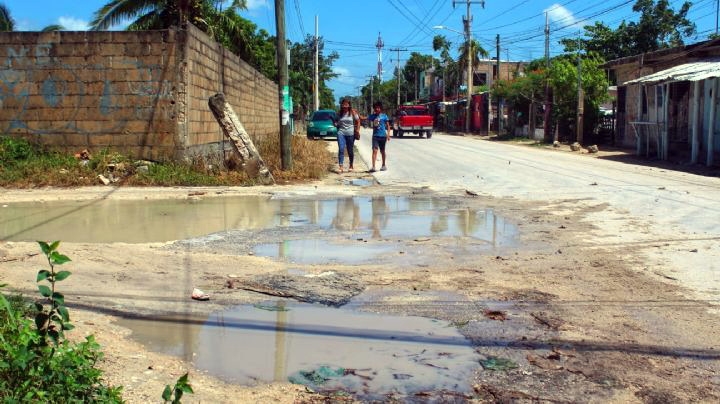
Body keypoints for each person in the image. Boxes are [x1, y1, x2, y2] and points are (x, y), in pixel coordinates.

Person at [335, 98, 360, 173]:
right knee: (341, 148)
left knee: (350, 150)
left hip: (350, 134)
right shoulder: (339, 113)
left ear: (349, 105)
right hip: (341, 133)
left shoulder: (352, 112)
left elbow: (358, 121)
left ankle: (351, 165)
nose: (345, 106)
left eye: (346, 104)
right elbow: (338, 122)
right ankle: (341, 166)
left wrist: (358, 130)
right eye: (344, 104)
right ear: (342, 105)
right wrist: (336, 124)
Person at [368, 101, 391, 172]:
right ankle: (373, 167)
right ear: (374, 109)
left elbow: (388, 126)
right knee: (374, 150)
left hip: (383, 136)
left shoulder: (384, 116)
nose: (377, 109)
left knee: (382, 151)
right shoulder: (372, 116)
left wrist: (388, 134)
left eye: (378, 108)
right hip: (375, 136)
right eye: (376, 108)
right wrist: (357, 115)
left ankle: (383, 165)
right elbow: (364, 118)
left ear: (380, 108)